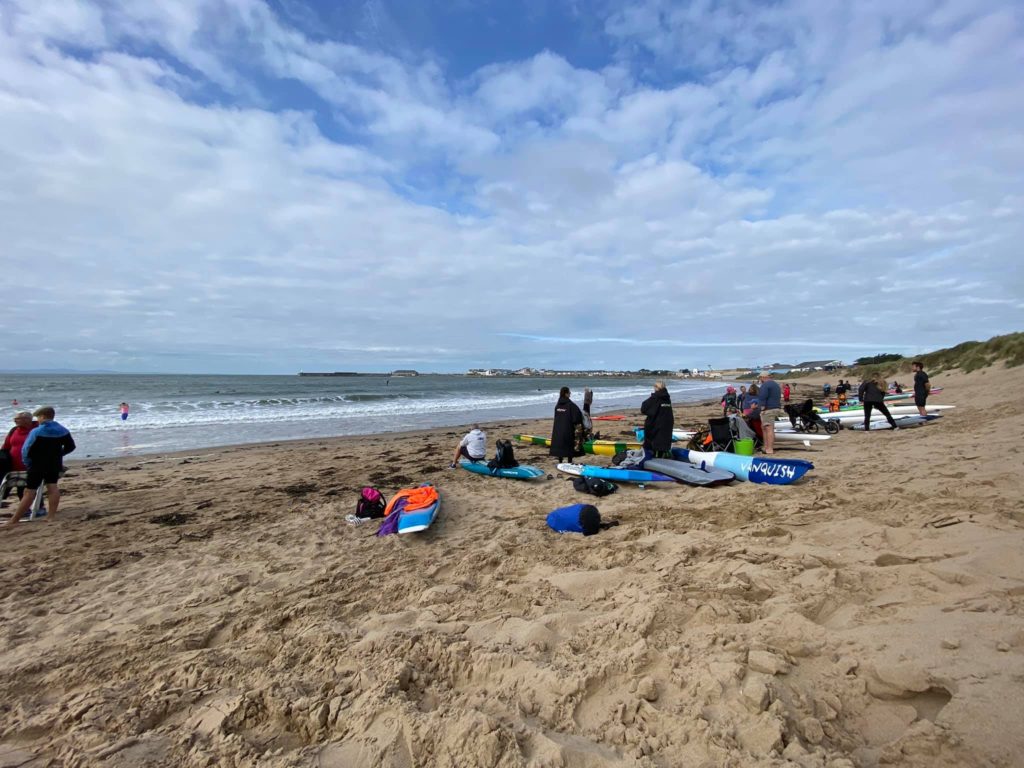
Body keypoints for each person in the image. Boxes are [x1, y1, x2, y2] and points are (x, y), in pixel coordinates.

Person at [4, 406, 75, 527]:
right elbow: (71, 446)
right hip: (54, 464)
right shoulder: (62, 430)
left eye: (38, 417)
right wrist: (59, 454)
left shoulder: (37, 431)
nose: (38, 420)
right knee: (52, 487)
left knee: (29, 491)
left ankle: (14, 519)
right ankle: (51, 516)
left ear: (42, 416)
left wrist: (27, 463)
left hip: (37, 465)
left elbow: (26, 450)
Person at [1, 412, 37, 498]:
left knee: (26, 490)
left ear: (27, 420)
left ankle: (38, 508)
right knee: (5, 489)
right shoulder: (14, 430)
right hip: (11, 466)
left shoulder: (36, 430)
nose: (14, 420)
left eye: (17, 419)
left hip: (29, 466)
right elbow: (5, 447)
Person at [640, 381, 673, 458]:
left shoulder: (655, 398)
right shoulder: (667, 398)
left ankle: (652, 459)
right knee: (662, 445)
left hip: (656, 425)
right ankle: (660, 457)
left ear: (656, 387)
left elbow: (644, 408)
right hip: (667, 424)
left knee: (652, 445)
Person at [550, 386, 583, 463]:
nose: (570, 393)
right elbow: (577, 417)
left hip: (558, 430)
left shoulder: (558, 405)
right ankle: (569, 461)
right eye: (569, 392)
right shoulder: (571, 405)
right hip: (568, 429)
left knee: (560, 444)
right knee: (569, 445)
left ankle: (560, 461)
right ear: (566, 394)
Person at [758, 372, 782, 454]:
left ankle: (769, 449)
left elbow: (762, 397)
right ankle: (766, 447)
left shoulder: (765, 385)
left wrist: (762, 409)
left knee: (768, 428)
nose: (760, 380)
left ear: (763, 377)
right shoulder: (775, 384)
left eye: (760, 378)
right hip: (776, 408)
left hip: (769, 410)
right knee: (764, 428)